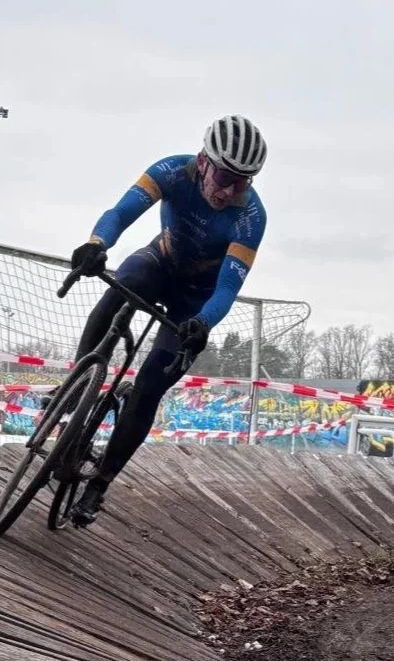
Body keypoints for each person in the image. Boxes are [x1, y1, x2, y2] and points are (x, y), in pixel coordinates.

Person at [68, 114, 268, 526]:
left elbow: (227, 290)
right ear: (204, 161)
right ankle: (75, 382)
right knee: (122, 284)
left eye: (243, 182)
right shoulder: (172, 170)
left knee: (150, 388)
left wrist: (204, 323)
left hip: (196, 298)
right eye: (226, 176)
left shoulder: (251, 217)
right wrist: (95, 244)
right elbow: (120, 213)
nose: (230, 191)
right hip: (162, 260)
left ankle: (99, 483)